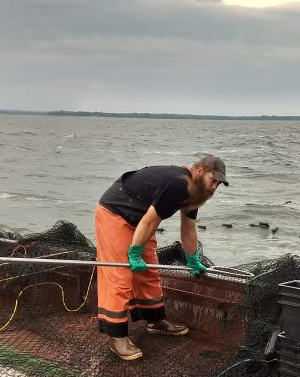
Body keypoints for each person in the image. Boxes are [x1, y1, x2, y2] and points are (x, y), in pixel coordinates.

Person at [95, 153, 228, 361]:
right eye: (213, 180)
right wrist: (134, 252)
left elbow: (188, 227)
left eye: (219, 184)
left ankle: (155, 321)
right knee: (120, 275)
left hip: (140, 220)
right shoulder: (177, 184)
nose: (214, 188)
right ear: (199, 171)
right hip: (115, 213)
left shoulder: (195, 191)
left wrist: (192, 258)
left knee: (149, 270)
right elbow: (150, 220)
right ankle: (116, 336)